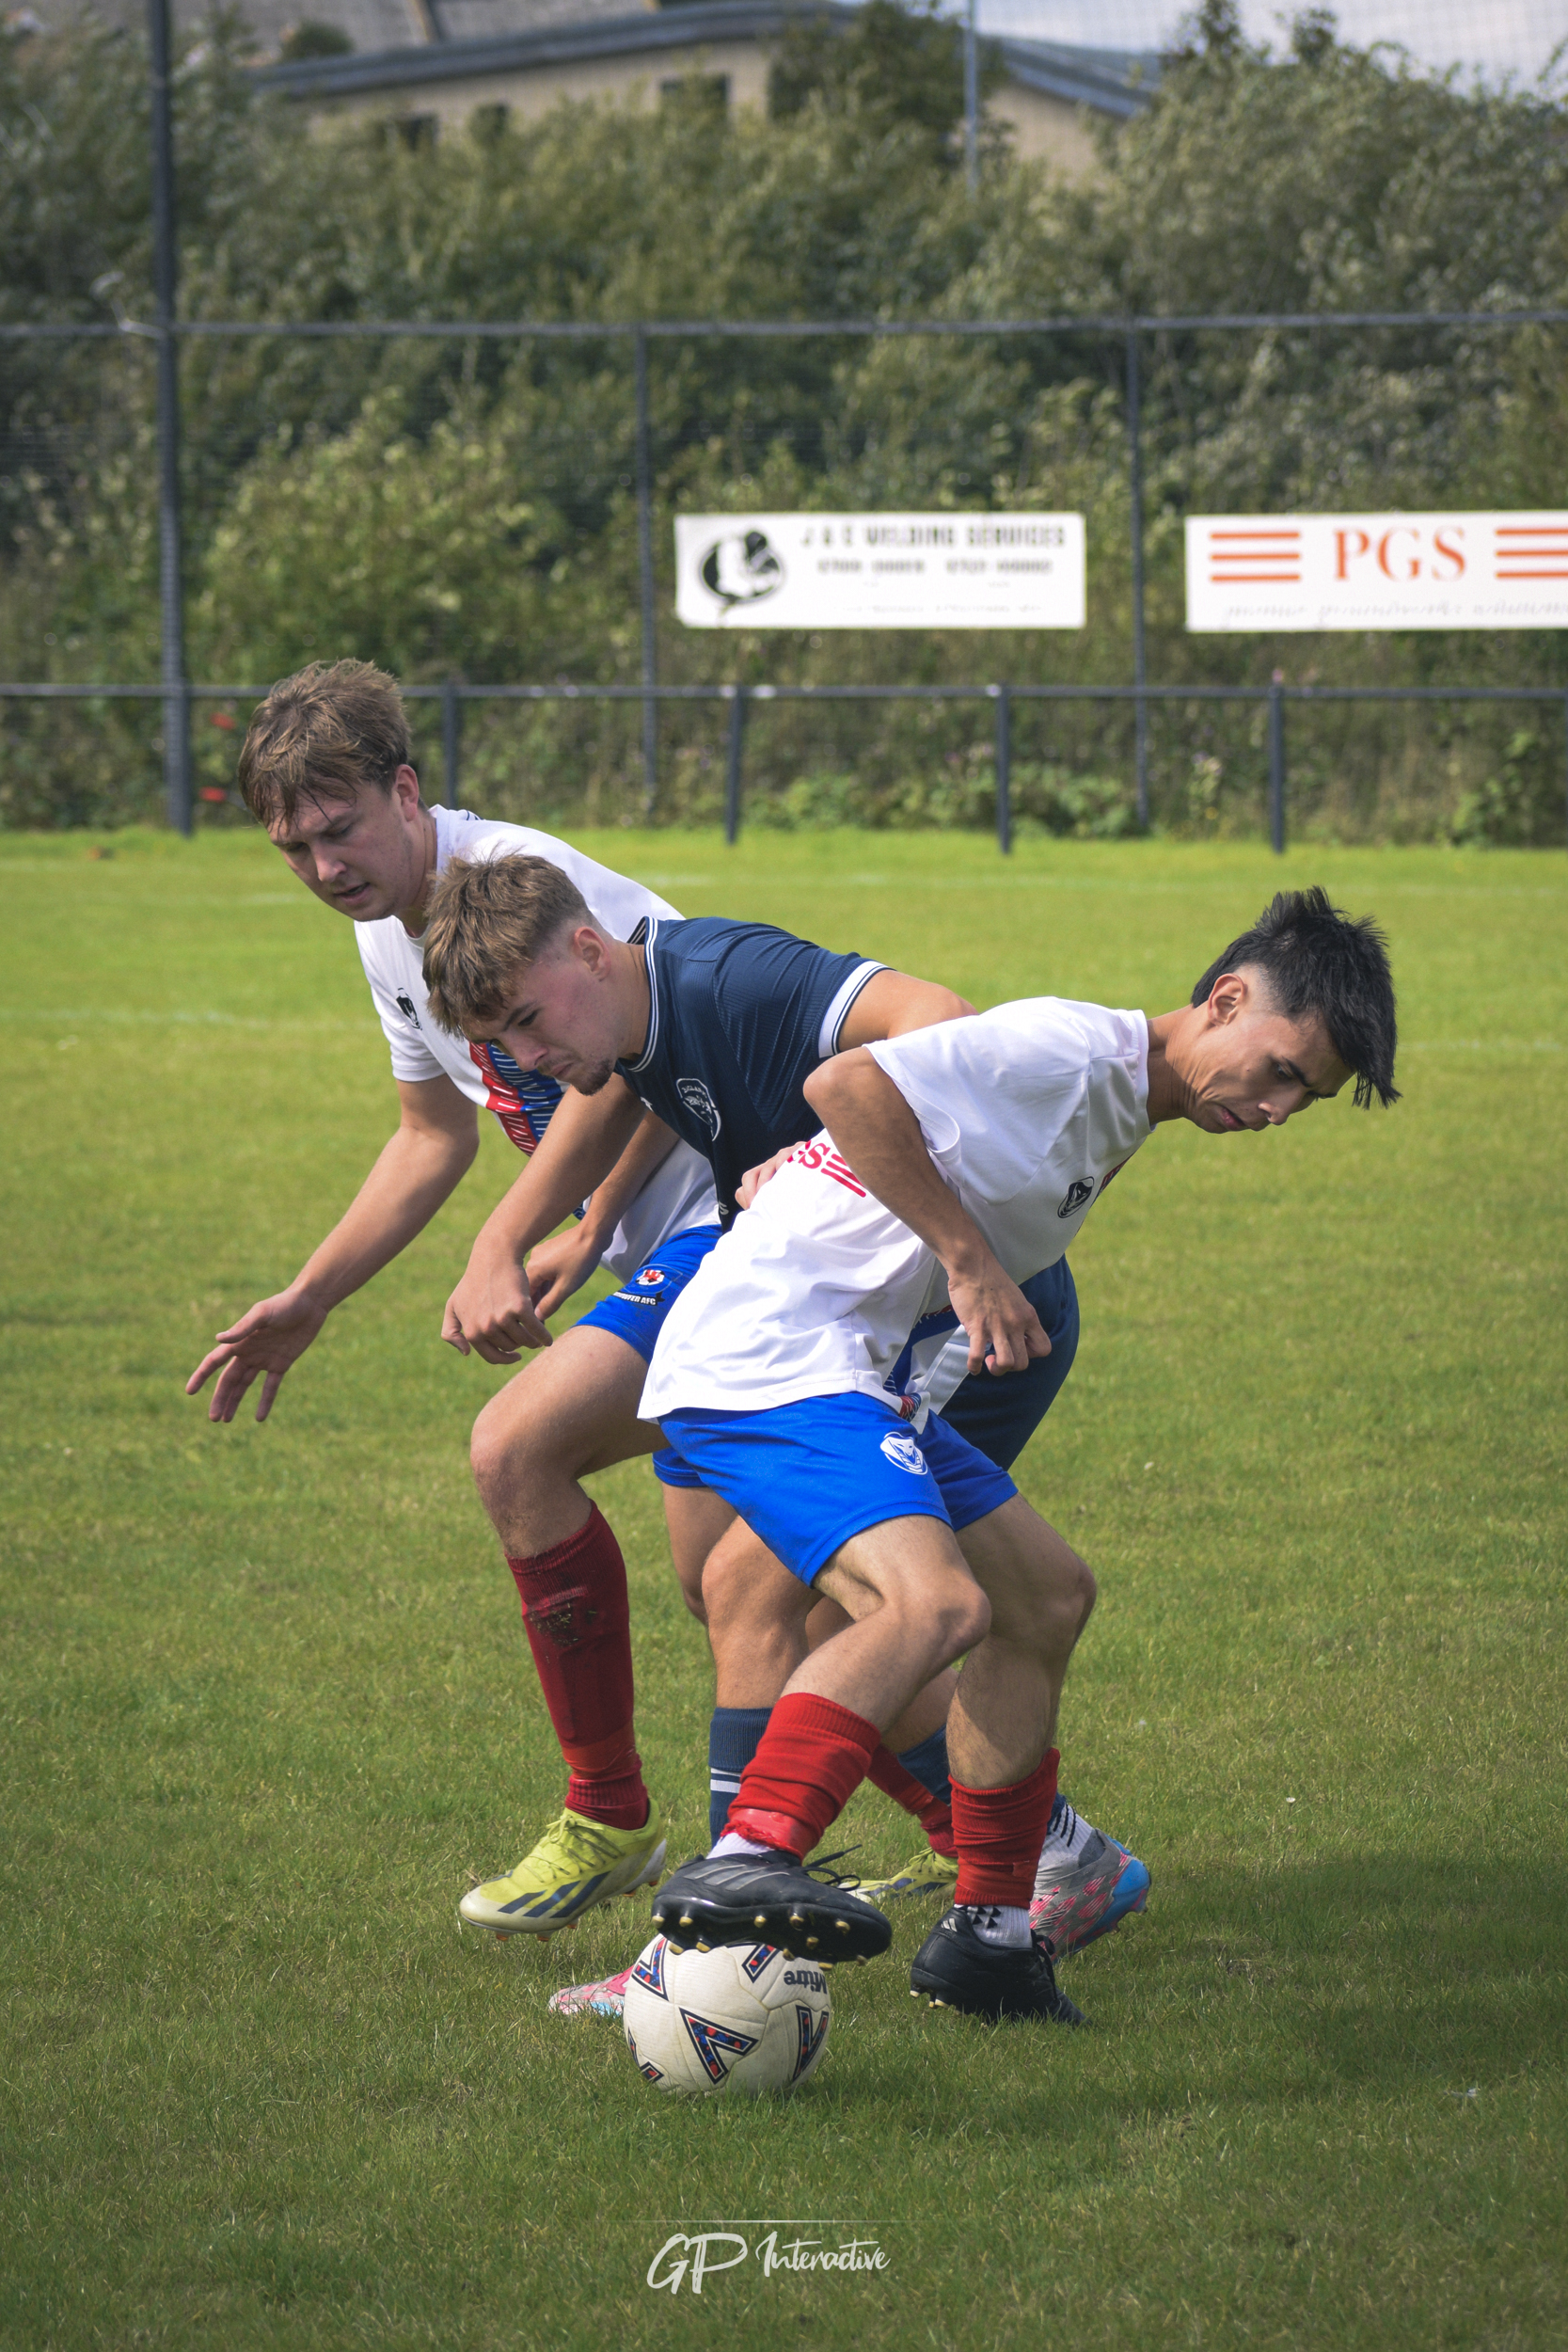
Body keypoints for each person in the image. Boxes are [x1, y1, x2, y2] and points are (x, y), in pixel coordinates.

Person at [631, 888, 1399, 2022]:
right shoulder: (1069, 1046)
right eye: (1283, 1070)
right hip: (771, 1357)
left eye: (1307, 1099)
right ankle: (751, 1846)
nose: (1281, 1109)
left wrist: (795, 1185)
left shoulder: (1118, 1108)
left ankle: (988, 1935)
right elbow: (844, 1083)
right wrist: (968, 1261)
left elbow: (878, 1134)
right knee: (933, 1607)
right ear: (1225, 1000)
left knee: (1042, 1596)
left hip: (853, 1368)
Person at [418, 854, 1148, 2008]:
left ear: (588, 950)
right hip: (825, 1309)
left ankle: (705, 1962)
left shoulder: (727, 976)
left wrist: (837, 1157)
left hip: (950, 1319)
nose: (525, 1058)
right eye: (497, 1042)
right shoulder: (636, 1022)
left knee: (763, 1593)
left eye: (524, 1021)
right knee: (744, 1592)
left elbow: (938, 1021)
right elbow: (657, 1099)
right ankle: (1039, 1854)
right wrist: (594, 1220)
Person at [186, 660, 723, 1931]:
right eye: (292, 847)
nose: (322, 867)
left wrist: (530, 1234)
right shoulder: (386, 936)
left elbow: (659, 1045)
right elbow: (430, 1130)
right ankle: (1007, 1842)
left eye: (340, 830)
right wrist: (312, 1296)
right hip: (664, 1243)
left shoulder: (530, 879)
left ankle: (612, 1819)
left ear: (406, 791)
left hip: (740, 1215)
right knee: (749, 1580)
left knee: (518, 1452)